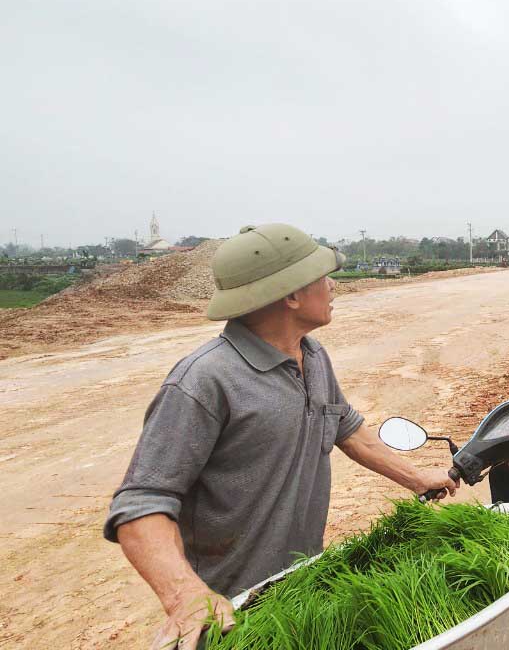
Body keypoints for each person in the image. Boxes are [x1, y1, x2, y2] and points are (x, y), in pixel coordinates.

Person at [102, 223, 458, 650]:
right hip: (233, 616)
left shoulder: (312, 355)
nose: (333, 286)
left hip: (300, 587)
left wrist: (416, 478)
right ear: (290, 296)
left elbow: (345, 426)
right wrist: (185, 597)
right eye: (322, 277)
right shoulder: (204, 381)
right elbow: (140, 505)